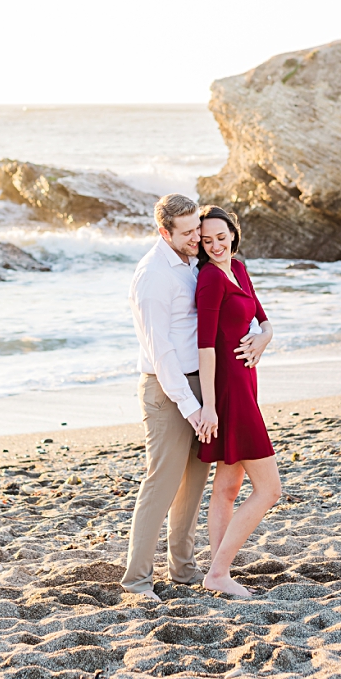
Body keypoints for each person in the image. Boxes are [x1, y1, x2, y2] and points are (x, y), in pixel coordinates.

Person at [121, 193, 219, 601]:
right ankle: (137, 582)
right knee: (160, 485)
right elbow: (161, 354)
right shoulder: (152, 277)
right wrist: (193, 408)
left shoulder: (192, 261)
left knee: (194, 483)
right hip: (167, 390)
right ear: (164, 232)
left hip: (200, 382)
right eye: (188, 231)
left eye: (198, 227)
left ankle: (183, 569)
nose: (197, 236)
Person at [193, 205, 280, 599]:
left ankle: (217, 569)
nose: (215, 245)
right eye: (206, 240)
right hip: (228, 387)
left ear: (233, 233)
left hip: (246, 380)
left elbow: (262, 318)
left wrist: (265, 337)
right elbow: (206, 346)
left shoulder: (238, 268)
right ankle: (219, 572)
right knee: (270, 490)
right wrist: (209, 406)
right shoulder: (210, 279)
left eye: (221, 237)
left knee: (229, 486)